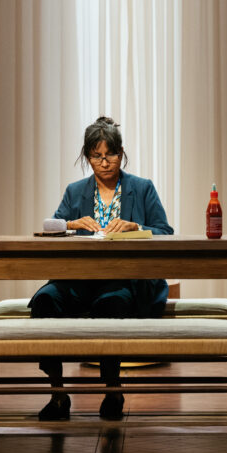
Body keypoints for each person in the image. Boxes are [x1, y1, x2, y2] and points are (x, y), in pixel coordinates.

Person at [29, 116, 174, 422]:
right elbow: (50, 227)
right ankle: (58, 393)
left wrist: (136, 226)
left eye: (111, 155)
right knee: (44, 300)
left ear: (122, 153)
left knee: (111, 303)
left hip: (124, 279)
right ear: (87, 156)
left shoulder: (142, 188)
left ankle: (113, 391)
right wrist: (71, 223)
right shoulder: (75, 191)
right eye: (97, 156)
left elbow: (166, 232)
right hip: (79, 278)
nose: (105, 162)